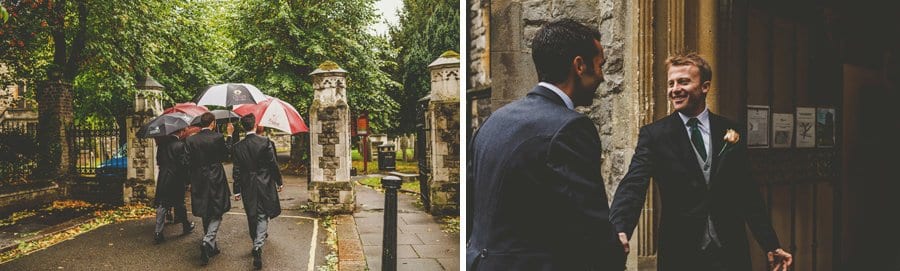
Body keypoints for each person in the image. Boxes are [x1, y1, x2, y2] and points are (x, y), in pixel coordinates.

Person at [609, 52, 793, 271]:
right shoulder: (655, 135)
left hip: (730, 251)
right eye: (671, 83)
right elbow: (633, 184)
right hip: (681, 253)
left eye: (683, 82)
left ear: (705, 86)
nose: (675, 89)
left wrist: (771, 244)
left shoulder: (730, 130)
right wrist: (620, 228)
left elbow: (747, 192)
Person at [466, 19, 624, 270]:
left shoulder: (492, 122)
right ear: (579, 66)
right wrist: (615, 249)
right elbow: (589, 222)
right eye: (600, 65)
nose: (602, 76)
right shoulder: (571, 128)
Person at [231, 114, 284, 269]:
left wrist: (236, 190)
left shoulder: (237, 146)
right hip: (265, 183)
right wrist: (279, 181)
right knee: (262, 215)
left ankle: (256, 241)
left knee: (251, 214)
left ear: (243, 127)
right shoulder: (265, 141)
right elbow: (273, 163)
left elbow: (237, 170)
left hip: (247, 184)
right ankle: (257, 246)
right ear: (254, 125)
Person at [185, 112, 234, 266]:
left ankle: (211, 246)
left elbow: (187, 162)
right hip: (216, 177)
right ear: (213, 123)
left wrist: (189, 181)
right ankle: (207, 241)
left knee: (205, 209)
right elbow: (226, 155)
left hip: (198, 178)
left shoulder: (191, 140)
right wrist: (229, 135)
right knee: (217, 210)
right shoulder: (217, 137)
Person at [152, 129, 195, 244]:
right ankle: (186, 226)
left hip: (163, 177)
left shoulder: (161, 146)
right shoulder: (181, 145)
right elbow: (184, 164)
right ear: (180, 132)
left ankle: (158, 232)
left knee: (162, 205)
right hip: (176, 178)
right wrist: (188, 181)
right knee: (180, 203)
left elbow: (158, 161)